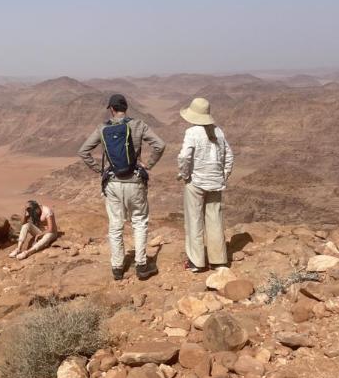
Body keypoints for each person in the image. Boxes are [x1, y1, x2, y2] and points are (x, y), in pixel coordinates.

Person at [79, 93, 165, 280]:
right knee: (139, 222)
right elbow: (159, 145)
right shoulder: (138, 125)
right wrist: (148, 165)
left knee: (116, 226)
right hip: (134, 181)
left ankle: (117, 268)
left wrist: (100, 170)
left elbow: (83, 151)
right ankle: (141, 266)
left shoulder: (103, 128)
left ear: (111, 109)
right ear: (126, 108)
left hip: (113, 182)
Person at [177, 97, 234, 272]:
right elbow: (229, 157)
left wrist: (185, 175)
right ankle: (218, 261)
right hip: (215, 182)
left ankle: (197, 262)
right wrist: (222, 175)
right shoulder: (218, 132)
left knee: (194, 220)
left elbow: (184, 157)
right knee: (215, 219)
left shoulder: (192, 132)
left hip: (196, 182)